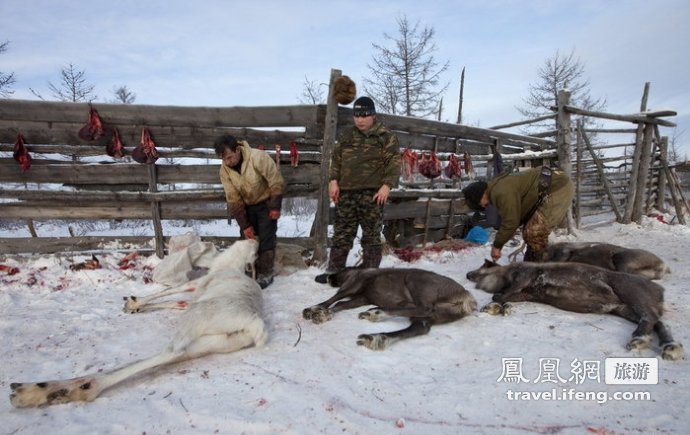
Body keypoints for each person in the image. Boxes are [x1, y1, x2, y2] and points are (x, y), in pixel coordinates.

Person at [320, 96, 401, 277]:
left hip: (372, 194)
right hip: (346, 193)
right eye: (357, 115)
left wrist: (387, 186)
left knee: (371, 235)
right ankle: (334, 272)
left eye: (364, 115)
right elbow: (336, 160)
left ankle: (369, 275)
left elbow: (394, 163)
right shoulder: (347, 135)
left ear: (373, 115)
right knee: (342, 232)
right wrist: (333, 181)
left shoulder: (385, 136)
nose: (360, 119)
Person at [462, 166, 574, 262]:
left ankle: (538, 269)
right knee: (531, 230)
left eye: (479, 203)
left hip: (558, 188)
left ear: (480, 196)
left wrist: (497, 246)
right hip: (551, 185)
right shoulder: (496, 187)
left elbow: (511, 222)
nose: (481, 206)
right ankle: (535, 260)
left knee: (534, 231)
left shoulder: (500, 192)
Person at [214, 134, 284, 289]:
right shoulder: (224, 171)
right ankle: (249, 271)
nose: (228, 162)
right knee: (247, 239)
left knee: (266, 239)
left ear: (237, 150)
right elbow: (233, 199)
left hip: (266, 202)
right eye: (224, 159)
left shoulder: (257, 157)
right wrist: (245, 225)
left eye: (230, 157)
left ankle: (266, 274)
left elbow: (275, 181)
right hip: (246, 206)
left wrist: (274, 206)